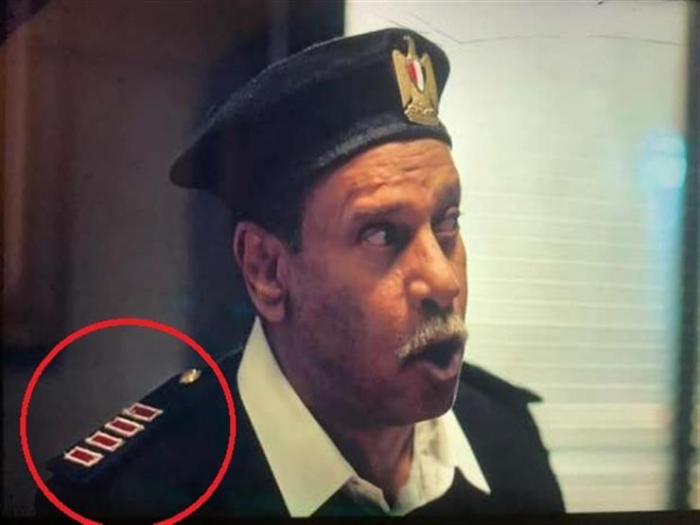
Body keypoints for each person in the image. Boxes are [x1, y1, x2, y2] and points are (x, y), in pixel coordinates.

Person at [35, 28, 564, 519]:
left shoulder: (506, 442)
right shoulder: (130, 500)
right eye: (381, 234)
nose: (444, 282)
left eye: (447, 223)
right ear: (267, 269)